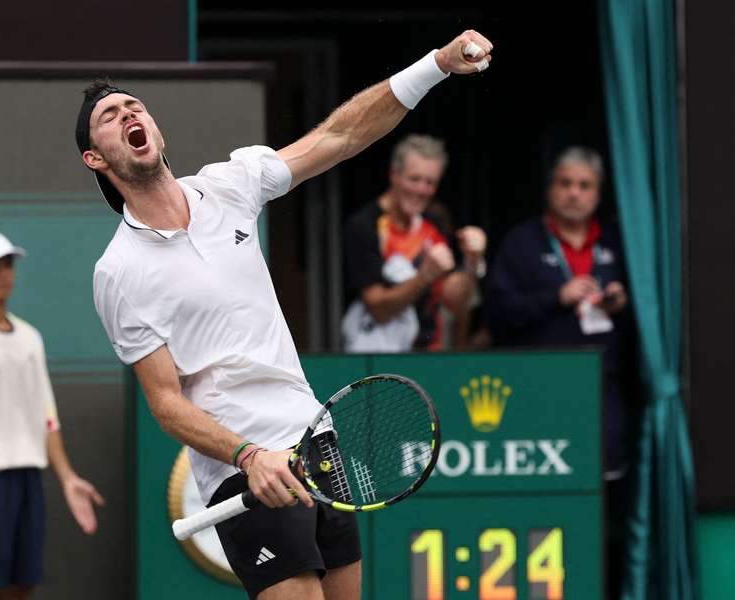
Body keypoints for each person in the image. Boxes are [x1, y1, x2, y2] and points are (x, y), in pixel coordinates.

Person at [83, 30, 493, 600]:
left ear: (155, 128)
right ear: (96, 157)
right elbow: (167, 404)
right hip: (242, 469)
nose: (129, 114)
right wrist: (248, 456)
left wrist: (437, 65)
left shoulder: (228, 186)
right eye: (110, 116)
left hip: (315, 439)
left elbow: (342, 134)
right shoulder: (118, 271)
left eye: (135, 106)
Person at [484, 147, 637, 598]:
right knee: (542, 503)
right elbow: (495, 315)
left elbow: (655, 327)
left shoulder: (619, 242)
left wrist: (623, 306)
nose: (574, 193)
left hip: (603, 395)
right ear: (551, 189)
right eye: (565, 183)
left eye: (584, 185)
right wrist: (557, 296)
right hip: (537, 398)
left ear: (598, 193)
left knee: (607, 503)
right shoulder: (523, 242)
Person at [0, 229, 104, 600]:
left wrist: (67, 477)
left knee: (21, 584)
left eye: (6, 264)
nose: (2, 273)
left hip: (27, 475)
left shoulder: (30, 338)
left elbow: (46, 417)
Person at [342, 134, 487, 352]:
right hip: (378, 358)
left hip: (429, 353)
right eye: (414, 179)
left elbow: (454, 299)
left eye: (430, 182)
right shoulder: (365, 224)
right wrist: (424, 277)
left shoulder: (433, 222)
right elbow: (378, 309)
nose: (422, 190)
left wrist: (472, 261)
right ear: (394, 175)